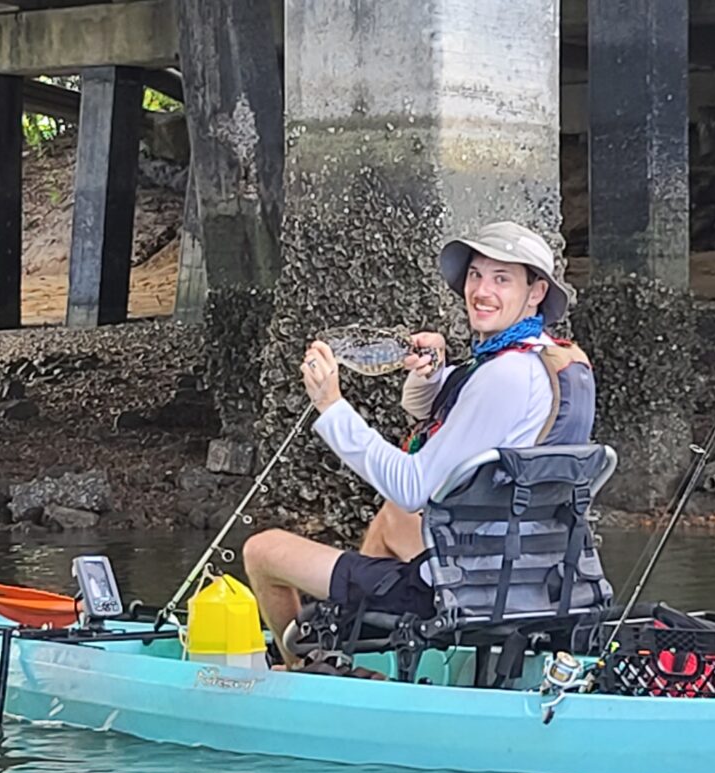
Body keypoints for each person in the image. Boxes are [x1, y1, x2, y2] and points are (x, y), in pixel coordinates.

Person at [243, 221, 597, 666]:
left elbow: (412, 485)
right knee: (393, 519)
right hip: (536, 575)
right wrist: (430, 370)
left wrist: (330, 406)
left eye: (501, 279)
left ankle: (300, 670)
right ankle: (354, 649)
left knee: (262, 551)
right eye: (475, 275)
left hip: (465, 585)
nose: (482, 291)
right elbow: (438, 406)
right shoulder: (556, 360)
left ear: (536, 292)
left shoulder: (504, 375)